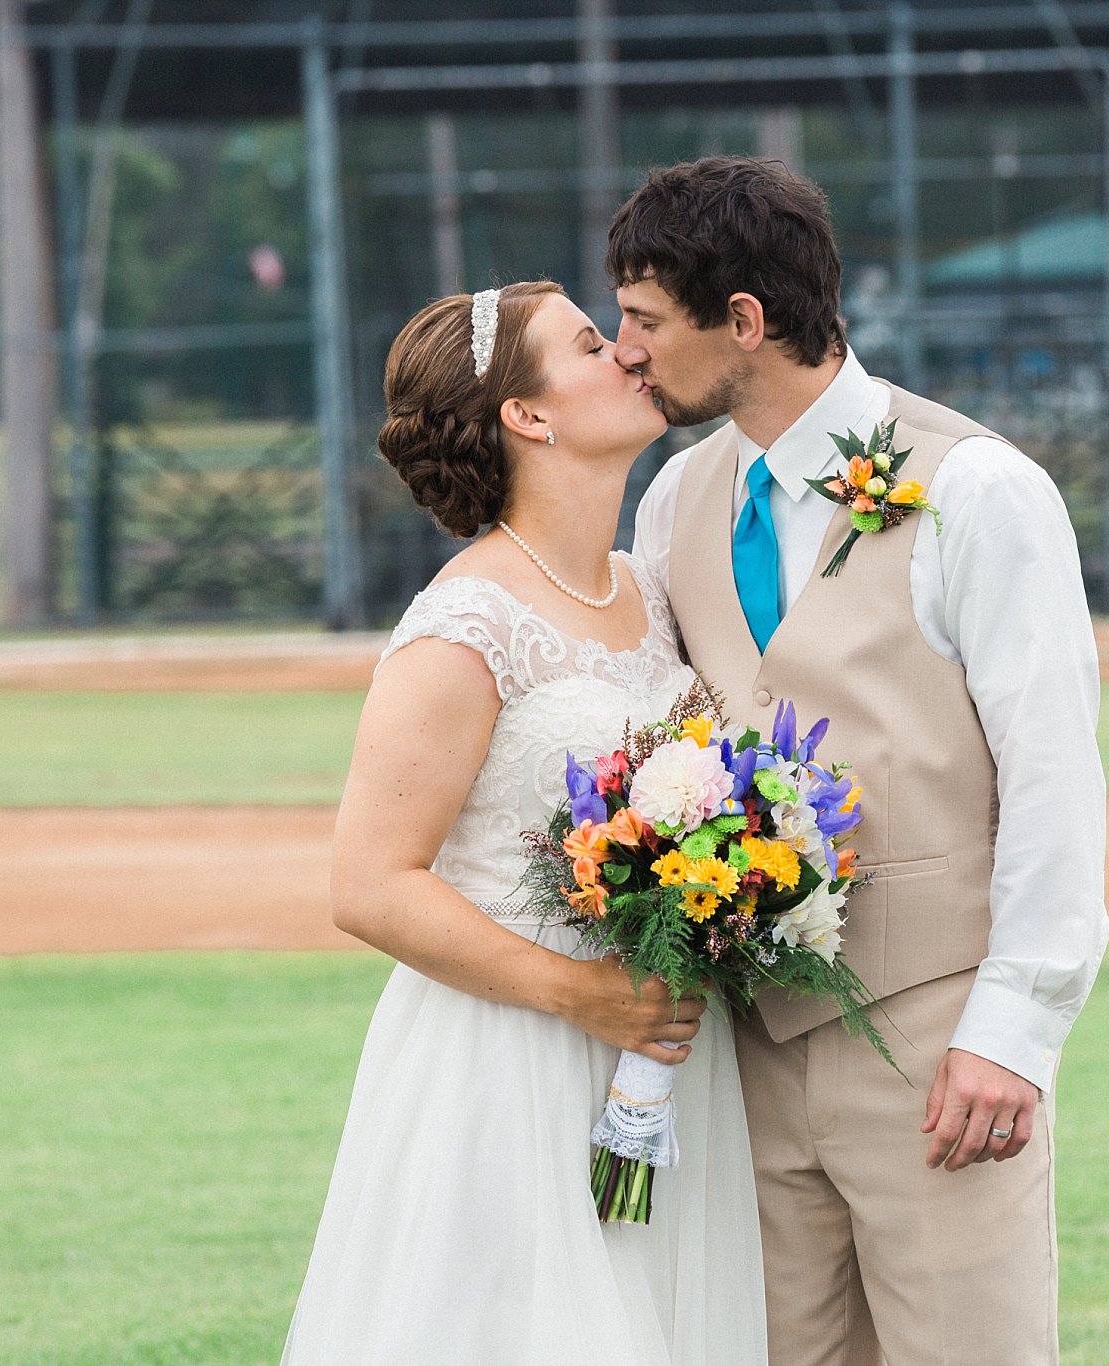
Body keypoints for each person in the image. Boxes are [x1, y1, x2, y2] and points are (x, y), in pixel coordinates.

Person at [619, 156, 1109, 1366]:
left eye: (642, 321)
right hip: (742, 1059)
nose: (626, 351)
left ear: (741, 321)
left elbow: (1052, 770)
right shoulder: (675, 497)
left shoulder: (978, 489)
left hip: (936, 1048)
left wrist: (1015, 1028)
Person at [281, 280, 766, 1365]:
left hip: (665, 1056)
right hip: (509, 1061)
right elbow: (368, 883)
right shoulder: (464, 623)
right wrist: (585, 995)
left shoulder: (653, 589)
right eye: (595, 345)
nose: (631, 356)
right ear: (527, 415)